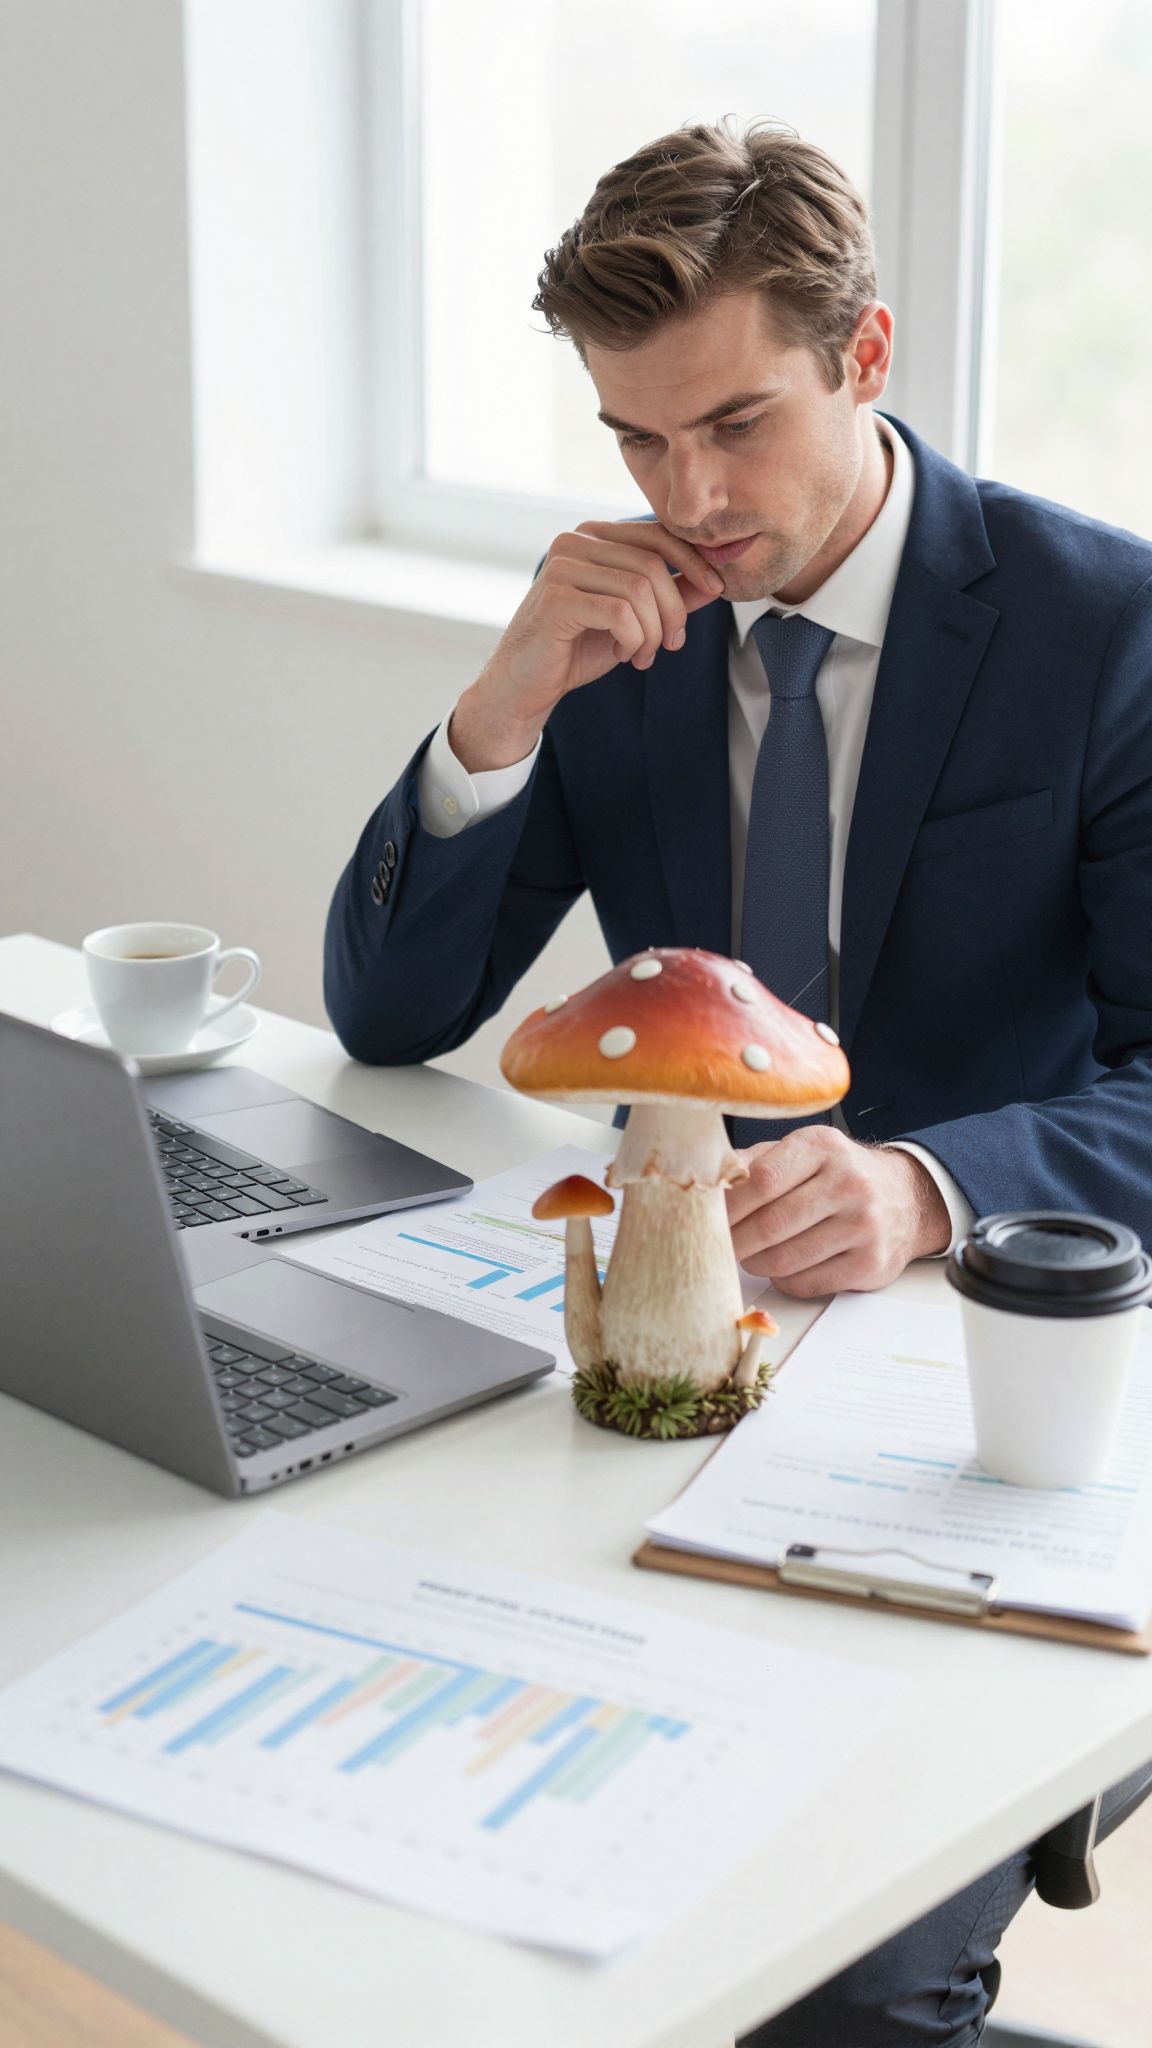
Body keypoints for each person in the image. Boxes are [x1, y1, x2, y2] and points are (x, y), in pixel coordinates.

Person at [326, 122, 1152, 2041]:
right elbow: (389, 1014)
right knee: (444, 1877)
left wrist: (929, 1187)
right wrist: (500, 707)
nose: (686, 497)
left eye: (735, 424)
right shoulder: (624, 631)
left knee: (827, 1988)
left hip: (976, 1391)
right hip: (663, 1377)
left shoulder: (1106, 632)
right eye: (634, 438)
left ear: (867, 355)